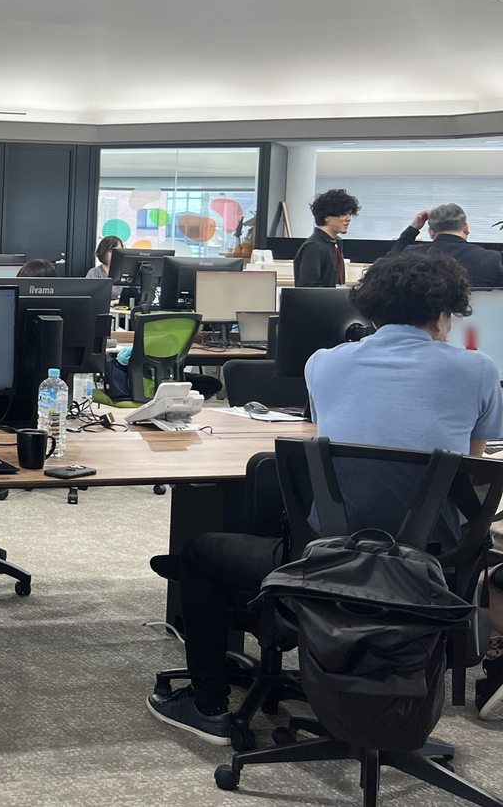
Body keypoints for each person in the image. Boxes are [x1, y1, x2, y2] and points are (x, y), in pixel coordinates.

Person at [146, 250, 501, 744]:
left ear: (370, 311)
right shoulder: (479, 370)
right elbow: (472, 467)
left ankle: (207, 706)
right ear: (445, 313)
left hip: (326, 560)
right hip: (430, 567)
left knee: (202, 551)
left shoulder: (324, 364)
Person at [391, 203, 503, 288]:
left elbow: (391, 262)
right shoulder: (494, 259)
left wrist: (412, 229)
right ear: (466, 228)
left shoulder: (411, 255)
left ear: (431, 232)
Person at [293, 188, 359, 288]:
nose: (348, 219)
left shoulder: (334, 244)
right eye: (343, 214)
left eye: (350, 214)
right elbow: (308, 288)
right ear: (326, 217)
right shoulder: (314, 246)